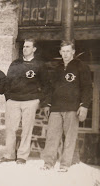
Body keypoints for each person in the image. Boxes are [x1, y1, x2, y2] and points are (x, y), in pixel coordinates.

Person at [41, 40, 92, 172]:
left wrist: (84, 105)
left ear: (73, 52)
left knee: (70, 137)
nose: (65, 54)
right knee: (52, 136)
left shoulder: (81, 66)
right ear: (60, 52)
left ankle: (64, 165)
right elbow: (50, 88)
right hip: (56, 108)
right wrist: (47, 103)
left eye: (68, 51)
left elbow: (87, 88)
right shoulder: (57, 68)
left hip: (72, 107)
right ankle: (48, 163)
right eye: (63, 51)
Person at [0, 39, 50, 164]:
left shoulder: (39, 65)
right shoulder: (15, 63)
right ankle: (9, 155)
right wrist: (8, 97)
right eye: (24, 47)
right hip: (14, 100)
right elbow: (7, 81)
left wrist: (39, 99)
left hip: (30, 100)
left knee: (27, 129)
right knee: (11, 128)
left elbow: (46, 85)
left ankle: (22, 156)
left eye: (28, 47)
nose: (24, 49)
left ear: (34, 49)